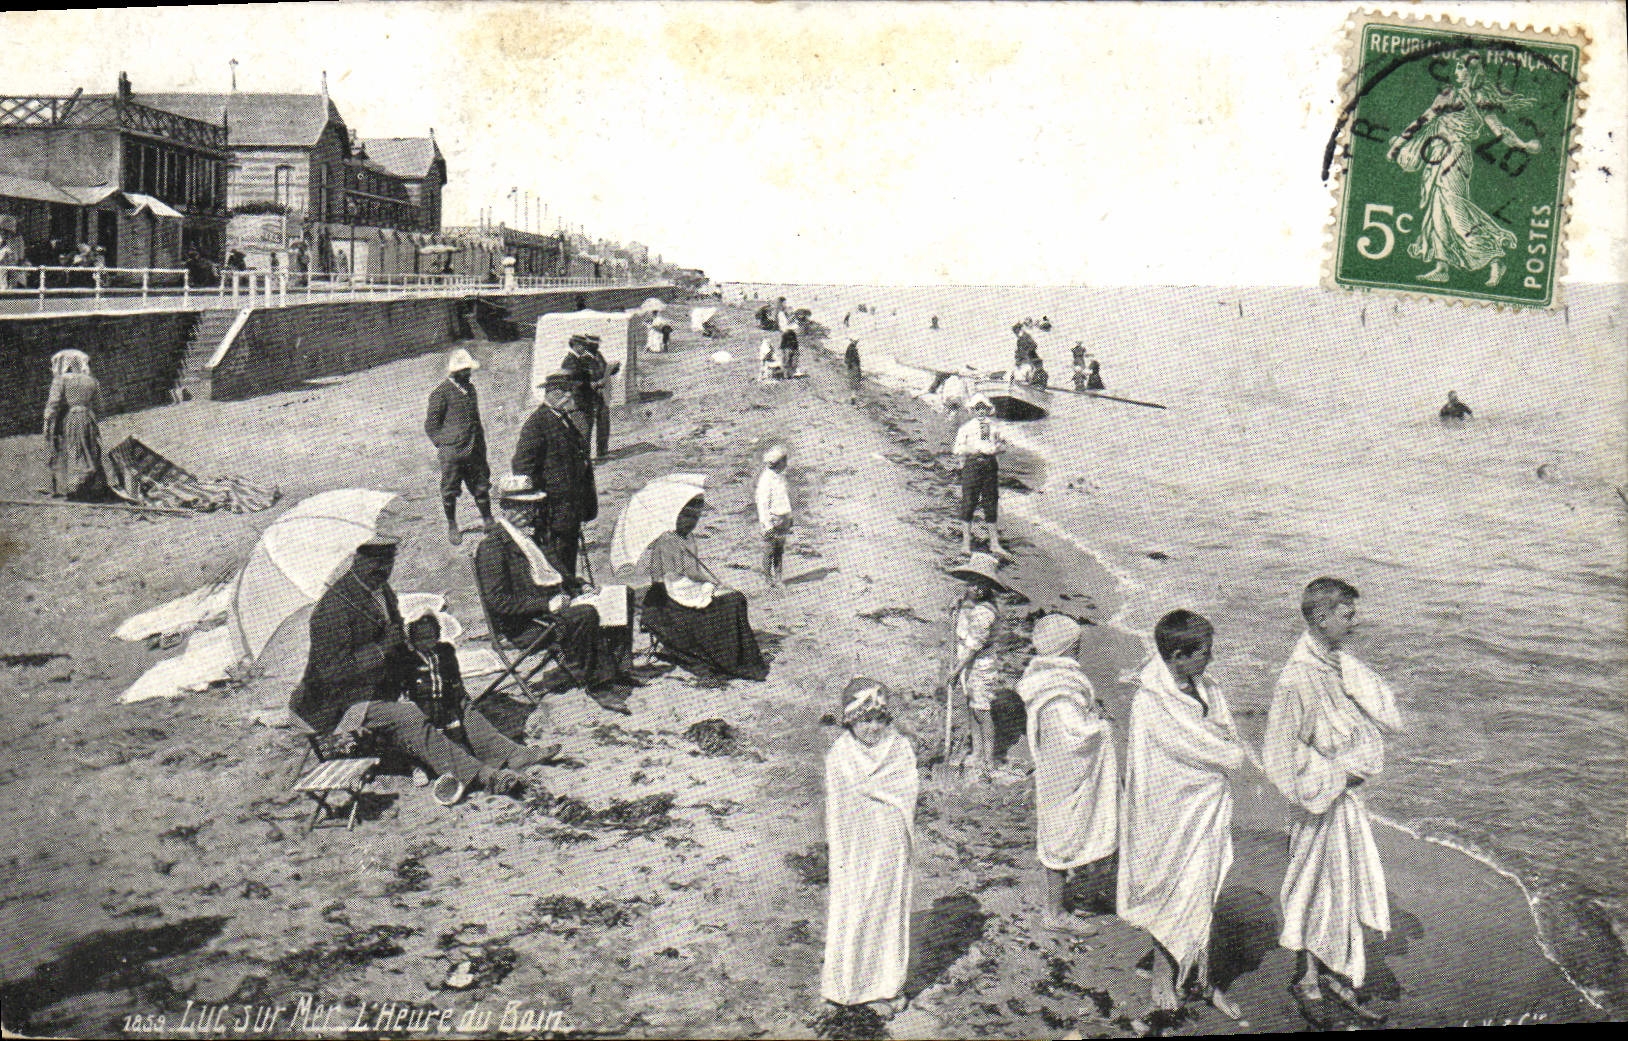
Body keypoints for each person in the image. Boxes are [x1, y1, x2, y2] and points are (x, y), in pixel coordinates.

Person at [289, 536, 531, 803]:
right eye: (375, 563)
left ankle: (506, 753)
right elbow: (331, 672)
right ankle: (481, 776)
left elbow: (394, 635)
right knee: (407, 715)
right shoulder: (332, 608)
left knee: (448, 689)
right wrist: (382, 649)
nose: (383, 570)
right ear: (358, 560)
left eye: (388, 562)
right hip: (337, 701)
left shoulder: (380, 589)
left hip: (378, 681)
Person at [1264, 577, 1403, 1024]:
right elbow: (1280, 755)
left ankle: (1331, 970)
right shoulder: (1297, 677)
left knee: (1338, 888)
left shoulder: (1334, 663)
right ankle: (1306, 977)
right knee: (1312, 887)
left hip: (1337, 801)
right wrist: (1337, 773)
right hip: (1317, 803)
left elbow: (1379, 710)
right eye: (1348, 614)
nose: (1356, 621)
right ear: (1321, 618)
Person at [1117, 609, 1249, 1021]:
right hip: (1167, 809)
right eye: (1203, 653)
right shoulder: (1151, 701)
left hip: (1204, 803)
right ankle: (1161, 975)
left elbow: (1222, 730)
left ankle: (1202, 976)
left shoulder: (1203, 686)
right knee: (1172, 886)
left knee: (1202, 886)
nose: (1210, 659)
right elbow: (1180, 752)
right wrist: (1226, 754)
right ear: (1177, 655)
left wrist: (1224, 751)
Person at [475, 476, 638, 712]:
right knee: (585, 614)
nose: (528, 511)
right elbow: (499, 601)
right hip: (527, 623)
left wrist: (579, 586)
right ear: (504, 506)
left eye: (531, 505)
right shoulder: (493, 546)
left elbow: (556, 573)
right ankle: (599, 685)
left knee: (622, 595)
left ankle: (621, 669)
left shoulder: (533, 537)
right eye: (520, 505)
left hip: (559, 604)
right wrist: (546, 604)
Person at [1387, 52, 1538, 286]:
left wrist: (1523, 145)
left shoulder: (1480, 99)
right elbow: (1423, 120)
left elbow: (1500, 131)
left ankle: (1495, 258)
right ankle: (1441, 266)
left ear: (1472, 71)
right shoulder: (1448, 94)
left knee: (1455, 209)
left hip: (1457, 156)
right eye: (1456, 67)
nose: (1457, 72)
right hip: (1437, 153)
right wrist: (1399, 143)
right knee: (1437, 210)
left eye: (1460, 68)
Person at [821, 678, 917, 1021]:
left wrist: (881, 798)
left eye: (879, 719)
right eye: (865, 720)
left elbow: (905, 791)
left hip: (889, 844)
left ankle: (884, 987)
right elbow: (839, 805)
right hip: (855, 848)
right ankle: (844, 987)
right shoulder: (840, 755)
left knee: (886, 910)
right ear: (849, 721)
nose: (873, 728)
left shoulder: (899, 750)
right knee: (852, 909)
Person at [1016, 614, 1118, 934]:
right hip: (1063, 773)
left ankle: (1075, 898)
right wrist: (1100, 727)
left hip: (1055, 769)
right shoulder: (1058, 691)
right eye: (1076, 647)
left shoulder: (1045, 681)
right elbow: (1073, 737)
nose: (1079, 653)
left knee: (1065, 831)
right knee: (1061, 836)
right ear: (1067, 649)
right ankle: (1055, 912)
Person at [401, 608, 561, 793]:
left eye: (431, 637)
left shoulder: (443, 652)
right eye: (421, 639)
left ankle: (513, 754)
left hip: (447, 705)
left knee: (468, 713)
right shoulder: (406, 660)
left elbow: (454, 682)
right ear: (411, 640)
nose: (428, 643)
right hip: (424, 711)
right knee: (439, 742)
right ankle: (421, 766)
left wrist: (459, 704)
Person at [639, 495, 768, 680]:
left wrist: (713, 584)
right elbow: (673, 579)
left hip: (688, 587)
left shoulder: (688, 538)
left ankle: (741, 656)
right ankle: (726, 660)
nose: (691, 523)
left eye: (695, 518)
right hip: (669, 593)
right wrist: (706, 591)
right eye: (686, 517)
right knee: (724, 604)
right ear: (675, 516)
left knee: (735, 597)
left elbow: (694, 572)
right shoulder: (666, 541)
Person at [512, 372, 597, 580]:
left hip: (571, 507)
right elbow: (522, 467)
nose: (571, 398)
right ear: (554, 394)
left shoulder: (564, 418)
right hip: (554, 509)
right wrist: (539, 503)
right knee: (557, 559)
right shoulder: (537, 424)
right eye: (567, 394)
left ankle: (569, 588)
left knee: (568, 554)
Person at [946, 553, 1007, 781]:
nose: (970, 587)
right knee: (972, 707)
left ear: (983, 588)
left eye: (975, 584)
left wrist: (956, 670)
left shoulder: (984, 613)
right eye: (970, 581)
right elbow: (964, 608)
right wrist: (959, 603)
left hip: (980, 665)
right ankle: (976, 751)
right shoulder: (971, 603)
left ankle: (988, 760)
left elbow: (973, 646)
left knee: (982, 710)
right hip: (968, 661)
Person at [425, 347, 494, 546]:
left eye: (469, 370)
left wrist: (481, 446)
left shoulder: (471, 389)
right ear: (455, 372)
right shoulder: (441, 393)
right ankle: (452, 524)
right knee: (450, 489)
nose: (469, 373)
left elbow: (476, 419)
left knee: (480, 484)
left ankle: (488, 518)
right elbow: (431, 425)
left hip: (474, 449)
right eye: (465, 370)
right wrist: (445, 444)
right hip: (452, 453)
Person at [43, 349, 106, 500]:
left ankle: (78, 488)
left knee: (75, 449)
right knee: (90, 448)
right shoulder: (91, 380)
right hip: (89, 418)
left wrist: (47, 421)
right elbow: (100, 406)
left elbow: (53, 404)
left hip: (73, 417)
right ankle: (94, 486)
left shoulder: (61, 380)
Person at [953, 395, 1008, 559]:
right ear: (972, 410)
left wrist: (997, 449)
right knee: (969, 502)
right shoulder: (966, 428)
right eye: (977, 408)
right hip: (973, 465)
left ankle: (994, 543)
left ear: (988, 409)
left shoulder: (995, 427)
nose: (981, 411)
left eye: (984, 408)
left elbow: (1003, 445)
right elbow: (957, 449)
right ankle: (966, 543)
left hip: (990, 465)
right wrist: (972, 450)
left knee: (991, 502)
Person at [562, 333, 617, 459]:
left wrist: (612, 370)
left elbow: (602, 370)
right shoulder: (577, 359)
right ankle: (583, 458)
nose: (594, 346)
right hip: (584, 397)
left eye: (596, 343)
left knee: (602, 422)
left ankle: (601, 452)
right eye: (589, 344)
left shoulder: (596, 356)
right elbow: (573, 380)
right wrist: (593, 384)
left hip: (596, 395)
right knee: (585, 429)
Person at [756, 445, 793, 587]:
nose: (786, 464)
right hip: (772, 520)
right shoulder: (766, 480)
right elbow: (762, 504)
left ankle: (778, 578)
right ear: (778, 463)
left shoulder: (780, 477)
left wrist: (789, 516)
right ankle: (767, 578)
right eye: (784, 461)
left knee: (779, 550)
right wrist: (767, 524)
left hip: (782, 518)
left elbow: (784, 498)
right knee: (769, 551)